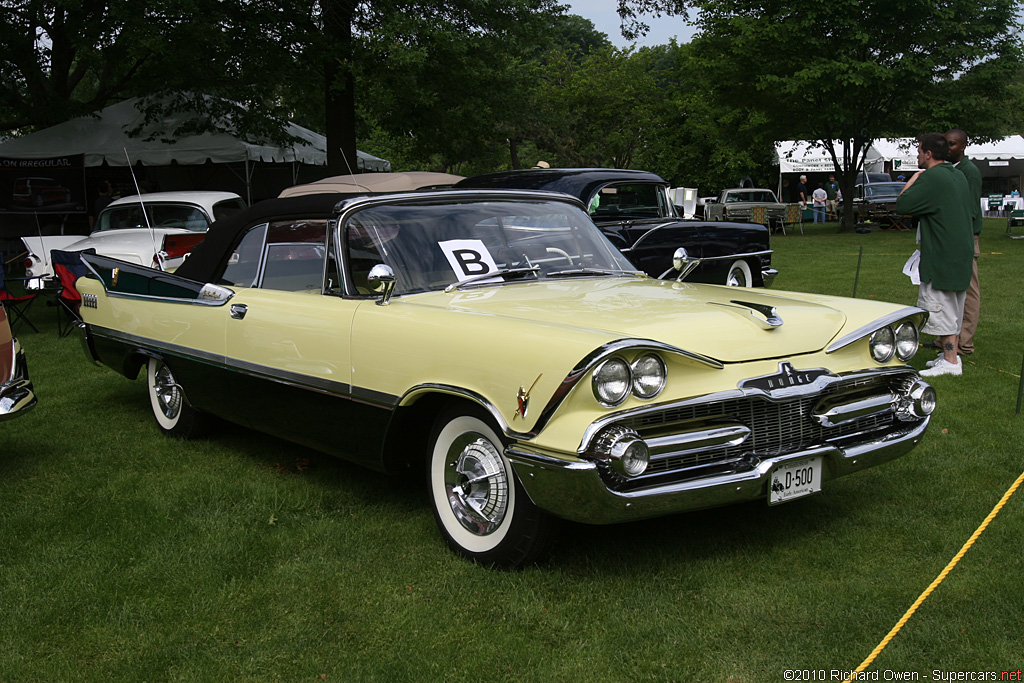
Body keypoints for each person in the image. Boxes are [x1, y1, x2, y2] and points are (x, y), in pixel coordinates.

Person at [895, 133, 974, 377]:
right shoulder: (957, 174)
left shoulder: (932, 177)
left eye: (919, 151)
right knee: (955, 305)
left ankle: (951, 361)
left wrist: (914, 179)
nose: (917, 156)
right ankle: (948, 356)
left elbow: (902, 205)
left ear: (928, 154)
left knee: (943, 306)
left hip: (942, 252)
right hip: (960, 250)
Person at [944, 128, 982, 356]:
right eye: (946, 144)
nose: (948, 149)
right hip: (951, 238)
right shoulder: (950, 170)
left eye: (952, 144)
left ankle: (964, 342)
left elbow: (971, 211)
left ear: (963, 146)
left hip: (966, 238)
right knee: (949, 291)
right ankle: (947, 340)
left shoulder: (970, 172)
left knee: (968, 291)